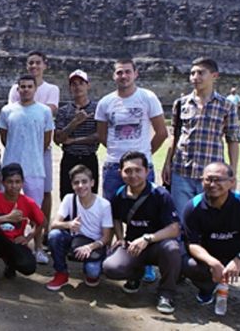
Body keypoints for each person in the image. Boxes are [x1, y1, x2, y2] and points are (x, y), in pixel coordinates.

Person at [96, 58, 168, 283]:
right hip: (113, 166)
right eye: (119, 73)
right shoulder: (106, 102)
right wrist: (121, 158)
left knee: (148, 215)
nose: (123, 76)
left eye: (127, 72)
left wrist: (142, 160)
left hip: (141, 167)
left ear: (135, 73)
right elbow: (102, 135)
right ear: (113, 76)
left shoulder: (147, 98)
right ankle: (113, 250)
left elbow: (162, 132)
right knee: (111, 212)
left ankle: (146, 261)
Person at [182, 162, 240, 326]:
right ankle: (207, 287)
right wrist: (212, 262)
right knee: (184, 260)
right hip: (212, 263)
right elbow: (192, 244)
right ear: (201, 181)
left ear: (231, 182)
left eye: (218, 180)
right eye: (208, 180)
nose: (213, 185)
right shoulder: (193, 207)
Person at [161, 58, 240, 222]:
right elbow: (174, 136)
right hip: (182, 170)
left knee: (210, 220)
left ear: (214, 76)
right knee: (181, 221)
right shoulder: (181, 104)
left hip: (212, 175)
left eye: (200, 73)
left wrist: (232, 173)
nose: (195, 77)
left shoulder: (226, 106)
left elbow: (233, 139)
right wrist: (167, 164)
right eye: (192, 73)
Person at [102, 151, 181, 314]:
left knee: (172, 249)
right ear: (120, 173)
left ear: (147, 171)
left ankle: (166, 293)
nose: (133, 175)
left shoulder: (160, 195)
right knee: (111, 267)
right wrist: (120, 237)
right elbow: (116, 218)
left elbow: (174, 228)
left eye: (138, 170)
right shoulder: (120, 194)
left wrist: (148, 238)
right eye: (128, 171)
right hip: (133, 246)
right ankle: (135, 275)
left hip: (158, 245)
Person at [0, 75, 53, 264]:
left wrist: (32, 153)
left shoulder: (44, 111)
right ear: (18, 89)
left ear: (35, 89)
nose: (26, 90)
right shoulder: (7, 111)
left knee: (35, 212)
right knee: (5, 209)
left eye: (29, 86)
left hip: (35, 167)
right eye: (22, 86)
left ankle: (38, 247)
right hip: (11, 166)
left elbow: (46, 140)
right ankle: (6, 245)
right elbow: (4, 138)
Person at [8, 51, 60, 243]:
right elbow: (11, 121)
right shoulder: (15, 89)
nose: (34, 66)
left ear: (45, 65)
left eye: (38, 63)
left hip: (40, 151)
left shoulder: (51, 90)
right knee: (11, 192)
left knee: (44, 192)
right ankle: (12, 236)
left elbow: (48, 116)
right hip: (18, 150)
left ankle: (41, 235)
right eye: (31, 63)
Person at [0, 163, 44, 291]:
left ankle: (10, 265)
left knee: (29, 267)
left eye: (17, 182)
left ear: (22, 183)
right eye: (9, 182)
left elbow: (41, 222)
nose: (14, 186)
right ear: (3, 182)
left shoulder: (28, 203)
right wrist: (6, 218)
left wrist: (28, 238)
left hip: (15, 243)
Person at [45, 165, 112, 291]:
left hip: (94, 244)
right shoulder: (69, 199)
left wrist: (90, 247)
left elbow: (107, 237)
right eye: (76, 183)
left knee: (92, 272)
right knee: (54, 235)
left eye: (84, 181)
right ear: (72, 185)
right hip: (75, 240)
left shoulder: (104, 205)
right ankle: (61, 273)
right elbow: (54, 224)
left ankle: (97, 264)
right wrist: (68, 224)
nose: (80, 186)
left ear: (92, 183)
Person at [54, 70, 99, 199]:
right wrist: (75, 122)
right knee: (67, 197)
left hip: (88, 157)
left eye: (81, 83)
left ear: (87, 85)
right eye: (74, 84)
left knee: (90, 197)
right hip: (70, 157)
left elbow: (99, 136)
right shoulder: (64, 111)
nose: (77, 87)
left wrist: (74, 140)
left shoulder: (97, 109)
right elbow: (58, 139)